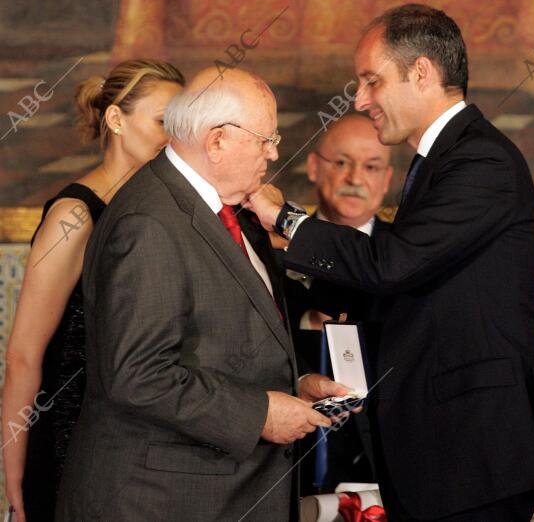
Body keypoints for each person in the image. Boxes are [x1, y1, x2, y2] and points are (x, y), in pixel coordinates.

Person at [250, 4, 534, 522]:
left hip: (473, 457)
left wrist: (285, 218)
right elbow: (401, 291)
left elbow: (392, 265)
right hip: (443, 457)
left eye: (372, 81)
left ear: (421, 73)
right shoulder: (442, 161)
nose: (361, 99)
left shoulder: (480, 160)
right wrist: (264, 261)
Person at [55, 67, 348, 522]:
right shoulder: (148, 223)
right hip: (156, 501)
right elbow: (137, 376)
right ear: (216, 142)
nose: (273, 154)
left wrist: (297, 383)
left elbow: (225, 340)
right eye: (265, 139)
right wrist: (260, 414)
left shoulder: (231, 211)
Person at [2, 59, 185, 522]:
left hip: (145, 448)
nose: (175, 137)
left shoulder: (166, 212)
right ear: (116, 119)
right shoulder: (75, 216)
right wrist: (15, 478)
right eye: (164, 122)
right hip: (71, 437)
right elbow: (23, 355)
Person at [284, 114, 393, 495]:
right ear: (314, 167)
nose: (355, 178)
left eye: (371, 166)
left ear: (387, 179)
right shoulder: (271, 252)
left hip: (391, 465)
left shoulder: (410, 258)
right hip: (291, 465)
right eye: (342, 162)